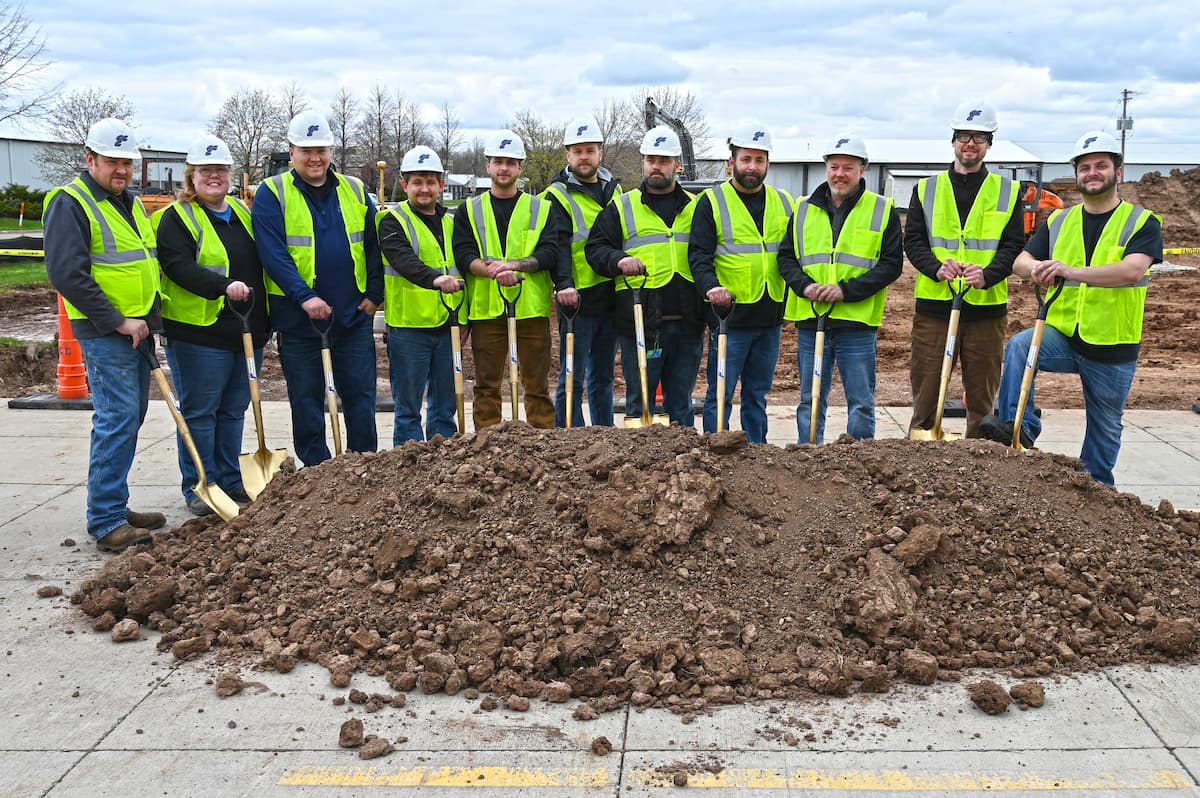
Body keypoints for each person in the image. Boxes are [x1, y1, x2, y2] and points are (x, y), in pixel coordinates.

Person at [981, 131, 1162, 486]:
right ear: (1077, 174)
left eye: (1101, 166)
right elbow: (1021, 260)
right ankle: (1019, 427)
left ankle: (1096, 488)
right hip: (1063, 333)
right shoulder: (1060, 220)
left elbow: (1133, 270)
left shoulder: (1142, 222)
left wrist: (1070, 271)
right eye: (1085, 167)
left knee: (1105, 424)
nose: (1092, 173)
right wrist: (1035, 269)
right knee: (1020, 347)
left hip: (1111, 342)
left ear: (1118, 173)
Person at [44, 118, 165, 552]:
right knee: (117, 419)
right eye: (113, 161)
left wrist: (149, 321)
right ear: (90, 158)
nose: (122, 170)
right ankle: (106, 518)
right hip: (104, 330)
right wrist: (118, 321)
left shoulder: (129, 202)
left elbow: (143, 264)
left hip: (136, 328)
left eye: (127, 163)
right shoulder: (70, 202)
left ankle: (114, 503)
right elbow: (68, 275)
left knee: (130, 418)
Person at [251, 110, 383, 466]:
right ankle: (317, 471)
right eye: (306, 150)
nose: (315, 158)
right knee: (307, 399)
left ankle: (363, 465)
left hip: (352, 317)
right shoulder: (272, 193)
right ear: (291, 152)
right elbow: (272, 253)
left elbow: (372, 245)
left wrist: (374, 295)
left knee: (360, 396)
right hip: (299, 320)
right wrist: (304, 296)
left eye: (321, 150)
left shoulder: (354, 189)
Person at [154, 134, 270, 515]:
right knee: (201, 411)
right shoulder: (176, 218)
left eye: (220, 170)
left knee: (234, 408)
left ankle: (229, 476)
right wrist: (222, 287)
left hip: (244, 329)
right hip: (198, 332)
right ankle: (200, 483)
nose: (214, 177)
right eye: (205, 171)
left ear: (230, 174)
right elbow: (177, 266)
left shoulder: (242, 213)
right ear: (192, 176)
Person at [904, 99, 1025, 438]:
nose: (970, 143)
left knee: (982, 399)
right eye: (964, 136)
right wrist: (935, 267)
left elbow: (1014, 245)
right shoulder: (926, 189)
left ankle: (979, 460)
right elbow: (913, 241)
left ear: (989, 143)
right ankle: (921, 452)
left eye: (979, 137)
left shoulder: (1007, 191)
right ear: (953, 140)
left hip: (986, 310)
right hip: (935, 308)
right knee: (927, 391)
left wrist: (988, 275)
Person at [778, 136, 903, 444]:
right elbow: (786, 257)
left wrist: (845, 291)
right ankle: (808, 455)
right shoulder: (803, 208)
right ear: (826, 169)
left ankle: (860, 462)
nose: (840, 174)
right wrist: (805, 287)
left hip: (856, 323)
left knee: (860, 401)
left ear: (863, 170)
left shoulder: (880, 209)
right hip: (811, 319)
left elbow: (890, 265)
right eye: (834, 167)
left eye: (848, 167)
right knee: (811, 398)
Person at [586, 125, 704, 426]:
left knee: (681, 400)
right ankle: (639, 466)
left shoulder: (697, 207)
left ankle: (683, 460)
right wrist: (619, 259)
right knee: (640, 401)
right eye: (651, 160)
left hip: (688, 321)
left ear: (677, 164)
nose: (656, 166)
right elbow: (596, 248)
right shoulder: (622, 207)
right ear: (643, 162)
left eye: (663, 161)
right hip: (641, 320)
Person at [689, 125, 794, 442]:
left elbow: (792, 253)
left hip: (770, 316)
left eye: (759, 160)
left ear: (767, 164)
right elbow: (699, 255)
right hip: (728, 318)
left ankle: (757, 455)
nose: (752, 167)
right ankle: (715, 451)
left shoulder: (784, 202)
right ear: (731, 162)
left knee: (757, 395)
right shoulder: (712, 202)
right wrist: (711, 287)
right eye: (746, 159)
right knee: (719, 393)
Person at [452, 130, 559, 429]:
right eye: (498, 161)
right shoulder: (469, 210)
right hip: (486, 311)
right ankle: (487, 444)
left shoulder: (541, 208)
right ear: (487, 165)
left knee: (537, 384)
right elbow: (463, 253)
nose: (504, 168)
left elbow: (550, 252)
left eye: (511, 162)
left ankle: (543, 442)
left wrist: (515, 266)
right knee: (486, 384)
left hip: (531, 309)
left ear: (520, 167)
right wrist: (492, 271)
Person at [377, 145, 464, 444]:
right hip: (409, 327)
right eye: (417, 182)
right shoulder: (391, 221)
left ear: (441, 184)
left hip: (448, 323)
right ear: (404, 185)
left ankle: (445, 466)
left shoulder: (453, 222)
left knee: (444, 406)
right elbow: (405, 262)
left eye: (430, 181)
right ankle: (409, 464)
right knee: (408, 408)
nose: (424, 189)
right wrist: (437, 279)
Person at [543, 116, 622, 427]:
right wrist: (564, 284)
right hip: (576, 298)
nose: (584, 157)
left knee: (603, 375)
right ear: (568, 155)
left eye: (590, 150)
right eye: (578, 151)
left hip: (611, 295)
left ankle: (604, 435)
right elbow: (558, 245)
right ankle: (570, 437)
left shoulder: (614, 190)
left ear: (600, 153)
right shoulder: (557, 195)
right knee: (572, 375)